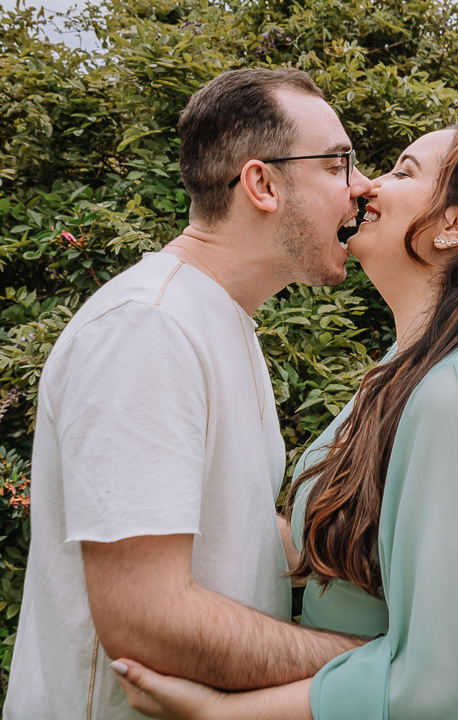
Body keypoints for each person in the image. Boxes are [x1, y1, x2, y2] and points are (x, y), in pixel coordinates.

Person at [109, 121, 458, 719]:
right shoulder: (408, 371)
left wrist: (218, 713)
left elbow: (453, 682)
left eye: (404, 172)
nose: (366, 187)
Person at [3, 68, 374, 720]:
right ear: (262, 184)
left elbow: (240, 527)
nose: (363, 186)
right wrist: (376, 664)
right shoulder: (147, 329)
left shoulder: (218, 320)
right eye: (339, 162)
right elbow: (149, 621)